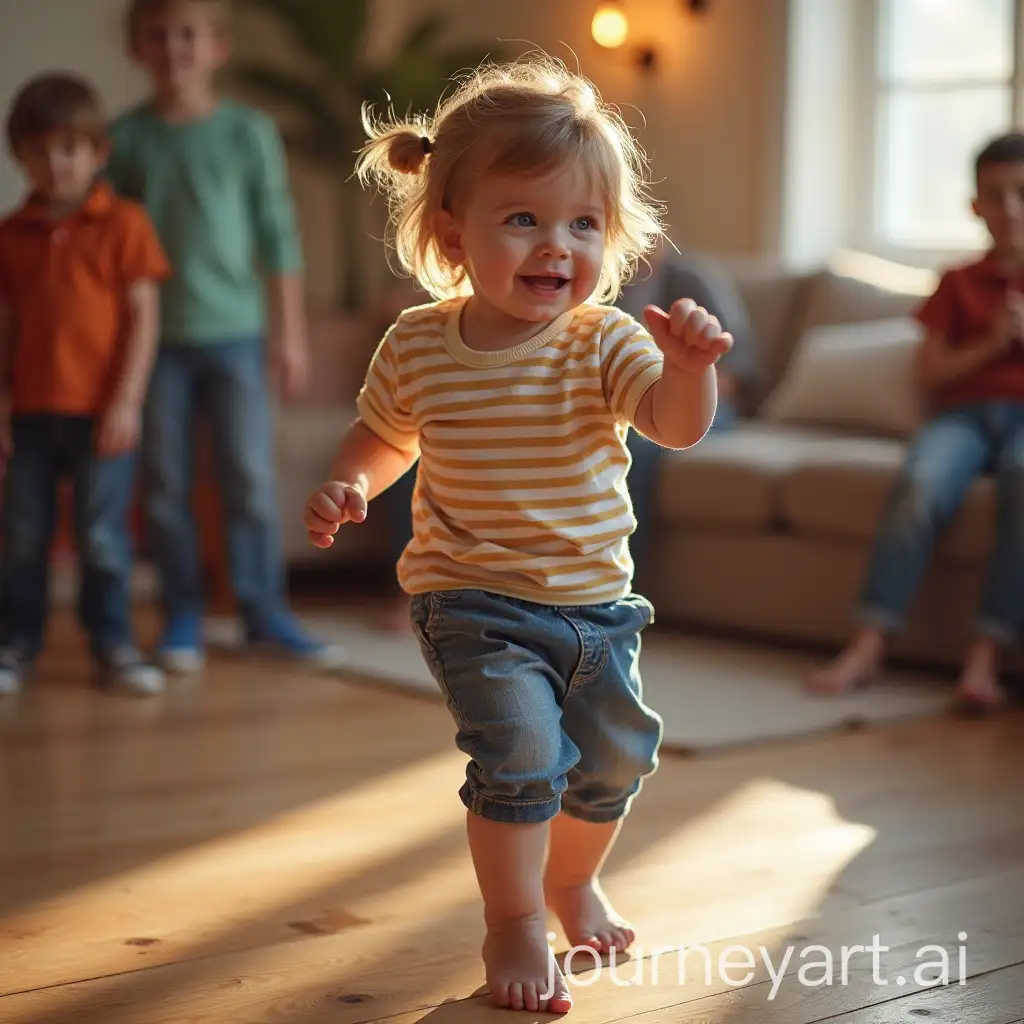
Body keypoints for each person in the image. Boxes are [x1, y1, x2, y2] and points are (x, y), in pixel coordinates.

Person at [304, 58, 732, 1013]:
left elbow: (675, 425)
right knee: (522, 760)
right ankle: (514, 923)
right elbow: (382, 434)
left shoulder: (607, 340)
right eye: (524, 218)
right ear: (454, 234)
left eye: (582, 223)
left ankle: (570, 881)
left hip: (599, 609)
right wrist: (348, 482)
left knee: (617, 760)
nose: (557, 246)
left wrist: (690, 366)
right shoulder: (420, 341)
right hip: (472, 601)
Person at [105, 0, 342, 672]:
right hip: (156, 347)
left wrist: (289, 333)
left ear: (216, 47)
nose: (173, 48)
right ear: (137, 48)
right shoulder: (123, 140)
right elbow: (111, 254)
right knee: (165, 485)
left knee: (248, 476)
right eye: (158, 36)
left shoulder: (247, 131)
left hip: (239, 334)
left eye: (188, 35)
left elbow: (277, 236)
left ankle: (263, 612)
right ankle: (184, 611)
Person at [374, 248, 759, 618]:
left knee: (639, 445)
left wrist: (682, 372)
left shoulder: (688, 278)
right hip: (606, 396)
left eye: (586, 223)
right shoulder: (584, 285)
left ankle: (613, 591)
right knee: (432, 434)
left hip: (695, 400)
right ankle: (416, 589)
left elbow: (736, 374)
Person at [808, 132, 1024, 711]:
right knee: (922, 481)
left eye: (1021, 193)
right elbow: (930, 374)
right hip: (964, 417)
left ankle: (986, 657)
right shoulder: (957, 281)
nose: (1010, 209)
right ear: (975, 206)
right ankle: (869, 645)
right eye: (995, 195)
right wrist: (993, 342)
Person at [0, 73, 169, 696]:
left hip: (103, 415)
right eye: (39, 151)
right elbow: (8, 326)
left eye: (68, 149)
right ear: (20, 155)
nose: (55, 164)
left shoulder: (125, 224)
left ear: (97, 152)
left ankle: (114, 647)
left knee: (102, 538)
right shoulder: (10, 235)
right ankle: (15, 646)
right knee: (23, 538)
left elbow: (143, 317)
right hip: (30, 416)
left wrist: (126, 401)